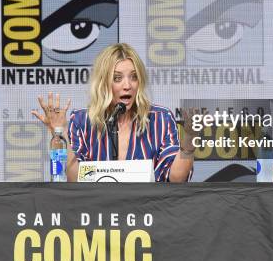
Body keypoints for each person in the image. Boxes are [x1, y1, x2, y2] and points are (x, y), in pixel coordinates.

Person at [32, 43, 195, 182]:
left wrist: (189, 141)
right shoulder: (82, 121)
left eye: (134, 77)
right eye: (117, 78)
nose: (127, 85)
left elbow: (176, 179)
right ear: (103, 83)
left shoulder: (161, 119)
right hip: (98, 214)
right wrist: (59, 135)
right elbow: (74, 178)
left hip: (148, 213)